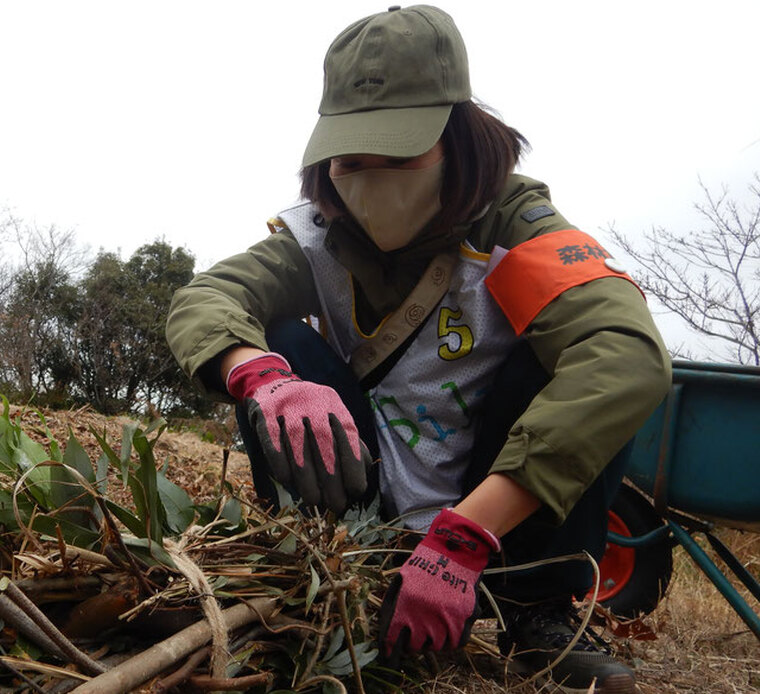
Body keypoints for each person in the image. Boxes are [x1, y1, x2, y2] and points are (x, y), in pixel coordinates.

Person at [166, 5, 671, 693]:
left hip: (491, 514)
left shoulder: (516, 228)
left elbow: (625, 352)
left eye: (400, 156)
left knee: (583, 372)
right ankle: (326, 570)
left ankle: (537, 609)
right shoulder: (315, 237)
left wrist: (466, 536)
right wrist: (263, 377)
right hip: (363, 495)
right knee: (276, 343)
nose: (372, 180)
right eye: (352, 161)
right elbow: (208, 299)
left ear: (458, 139)